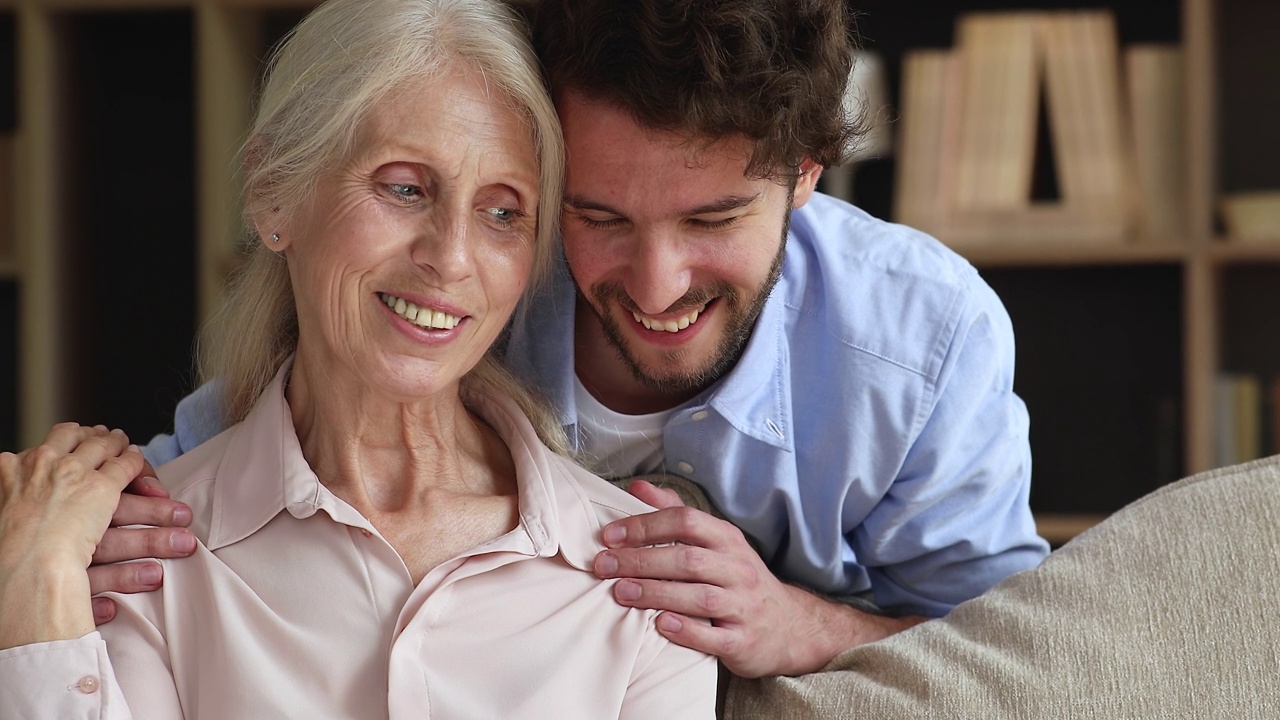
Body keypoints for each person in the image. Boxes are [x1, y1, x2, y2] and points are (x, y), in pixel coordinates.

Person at [90, 0, 1048, 684]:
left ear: (806, 175)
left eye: (712, 219)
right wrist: (85, 509)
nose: (656, 284)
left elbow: (1016, 659)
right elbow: (220, 472)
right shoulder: (472, 273)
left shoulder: (923, 341)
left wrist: (809, 625)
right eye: (598, 216)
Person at [0, 0, 717, 716]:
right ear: (273, 193)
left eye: (503, 213)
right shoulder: (138, 556)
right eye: (404, 189)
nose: (451, 258)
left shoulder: (639, 583)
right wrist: (32, 586)